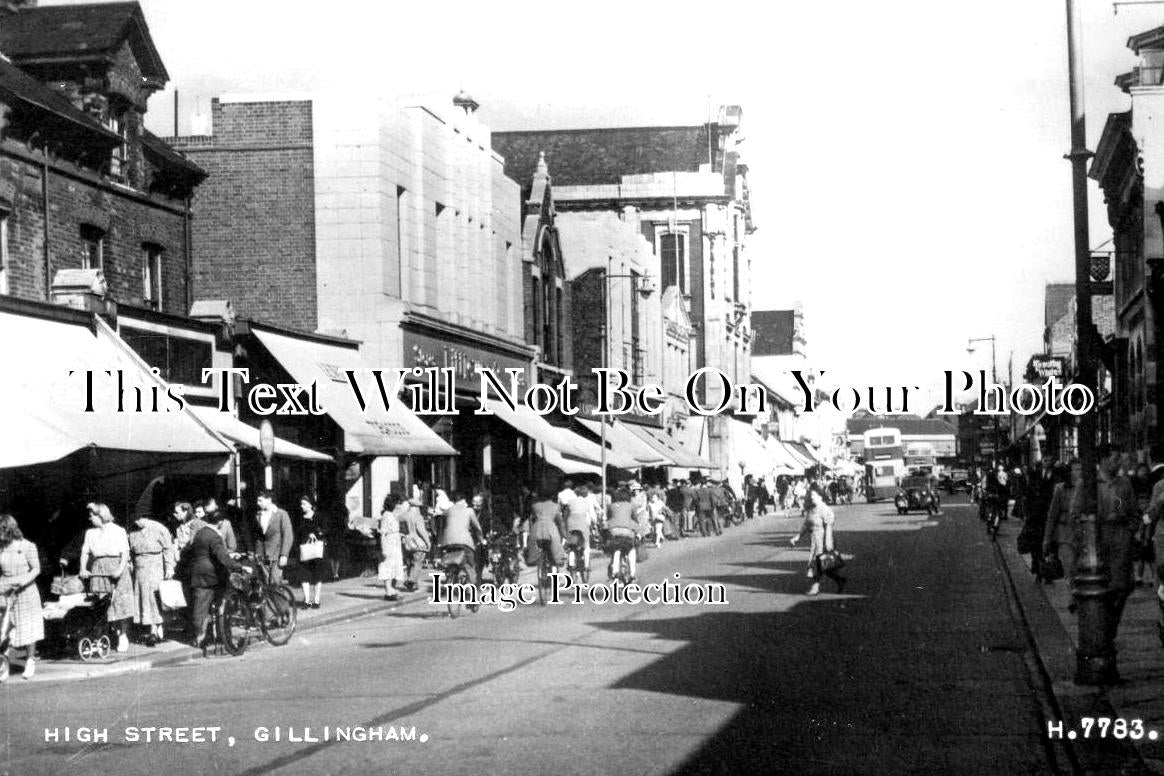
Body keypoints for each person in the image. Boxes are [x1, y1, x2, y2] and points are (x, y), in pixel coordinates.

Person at [187, 508, 245, 654]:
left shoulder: (200, 533)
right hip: (212, 576)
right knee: (221, 605)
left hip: (198, 574)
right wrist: (237, 565)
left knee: (200, 607)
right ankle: (217, 635)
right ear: (219, 523)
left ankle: (200, 637)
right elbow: (222, 557)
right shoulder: (214, 536)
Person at [79, 503, 135, 652]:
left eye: (92, 515)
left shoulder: (118, 531)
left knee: (120, 602)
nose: (89, 518)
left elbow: (125, 553)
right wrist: (83, 568)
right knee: (101, 602)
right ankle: (101, 635)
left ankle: (123, 635)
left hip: (116, 566)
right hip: (99, 568)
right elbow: (85, 552)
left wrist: (119, 569)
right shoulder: (90, 533)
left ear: (100, 515)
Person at [0, 514, 43, 680]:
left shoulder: (28, 546)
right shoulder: (1, 547)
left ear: (9, 530)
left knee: (29, 628)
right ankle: (5, 661)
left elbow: (36, 569)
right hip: (4, 590)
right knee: (4, 627)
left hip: (25, 591)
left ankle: (30, 660)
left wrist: (23, 581)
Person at [128, 510, 176, 646]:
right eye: (134, 519)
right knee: (142, 598)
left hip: (155, 566)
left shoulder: (159, 528)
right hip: (139, 568)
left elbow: (168, 548)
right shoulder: (132, 531)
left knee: (154, 598)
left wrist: (169, 567)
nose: (136, 522)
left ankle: (156, 628)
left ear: (144, 516)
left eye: (138, 518)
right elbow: (130, 552)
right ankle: (148, 627)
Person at [789, 487, 847, 595]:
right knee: (824, 566)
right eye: (810, 496)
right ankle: (839, 581)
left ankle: (815, 587)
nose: (811, 498)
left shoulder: (825, 510)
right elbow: (806, 525)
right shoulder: (811, 509)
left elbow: (829, 526)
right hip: (815, 541)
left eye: (813, 496)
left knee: (820, 564)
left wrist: (828, 543)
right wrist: (797, 537)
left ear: (820, 497)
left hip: (824, 539)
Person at [1043, 460, 1080, 602]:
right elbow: (1052, 515)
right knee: (1069, 567)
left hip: (1082, 534)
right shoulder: (1061, 489)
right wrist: (1047, 538)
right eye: (1076, 469)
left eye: (1081, 469)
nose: (1079, 472)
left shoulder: (1087, 488)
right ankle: (1073, 596)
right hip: (1065, 534)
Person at [438, 492, 483, 585]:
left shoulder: (448, 511)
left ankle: (449, 574)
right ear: (463, 500)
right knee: (470, 565)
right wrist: (481, 539)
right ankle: (471, 587)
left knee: (448, 559)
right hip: (464, 542)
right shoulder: (469, 511)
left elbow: (441, 523)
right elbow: (477, 528)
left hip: (447, 542)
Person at [251, 489, 294, 585]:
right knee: (265, 585)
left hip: (276, 554)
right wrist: (256, 552)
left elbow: (288, 535)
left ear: (269, 500)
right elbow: (258, 535)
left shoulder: (281, 514)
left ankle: (279, 600)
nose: (258, 503)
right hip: (262, 555)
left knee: (275, 584)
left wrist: (284, 554)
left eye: (260, 500)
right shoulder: (258, 515)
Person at [605, 487, 645, 582]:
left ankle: (614, 571)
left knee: (615, 548)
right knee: (631, 549)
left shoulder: (611, 506)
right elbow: (635, 518)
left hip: (613, 531)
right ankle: (632, 573)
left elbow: (608, 518)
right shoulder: (631, 506)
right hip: (627, 532)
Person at [295, 495, 327, 609]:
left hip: (317, 550)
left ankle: (316, 600)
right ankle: (307, 600)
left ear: (310, 504)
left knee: (318, 575)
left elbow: (325, 530)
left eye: (304, 504)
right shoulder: (300, 518)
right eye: (301, 504)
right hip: (305, 549)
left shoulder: (319, 517)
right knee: (304, 575)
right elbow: (297, 532)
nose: (301, 506)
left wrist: (317, 533)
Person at [526, 488, 566, 571]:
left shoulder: (534, 505)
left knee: (532, 546)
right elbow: (559, 521)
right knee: (557, 550)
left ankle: (533, 560)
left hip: (536, 530)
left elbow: (531, 519)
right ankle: (558, 563)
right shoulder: (555, 506)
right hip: (551, 530)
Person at [397, 496, 431, 593]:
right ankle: (411, 581)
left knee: (409, 563)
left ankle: (413, 584)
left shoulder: (402, 516)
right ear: (417, 507)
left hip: (406, 542)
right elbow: (421, 530)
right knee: (417, 562)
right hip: (417, 542)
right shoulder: (418, 517)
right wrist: (428, 542)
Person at [563, 485, 598, 571]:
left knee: (571, 545)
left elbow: (565, 515)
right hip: (582, 524)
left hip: (571, 524)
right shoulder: (587, 502)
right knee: (586, 544)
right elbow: (593, 516)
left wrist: (565, 523)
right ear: (586, 494)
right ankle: (586, 565)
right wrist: (595, 524)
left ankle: (571, 563)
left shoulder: (570, 501)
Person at [378, 495, 405, 601]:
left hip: (395, 542)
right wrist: (383, 548)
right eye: (398, 503)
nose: (399, 506)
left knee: (395, 566)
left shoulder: (392, 515)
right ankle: (388, 590)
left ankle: (392, 589)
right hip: (389, 543)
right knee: (388, 566)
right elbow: (383, 533)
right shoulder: (386, 515)